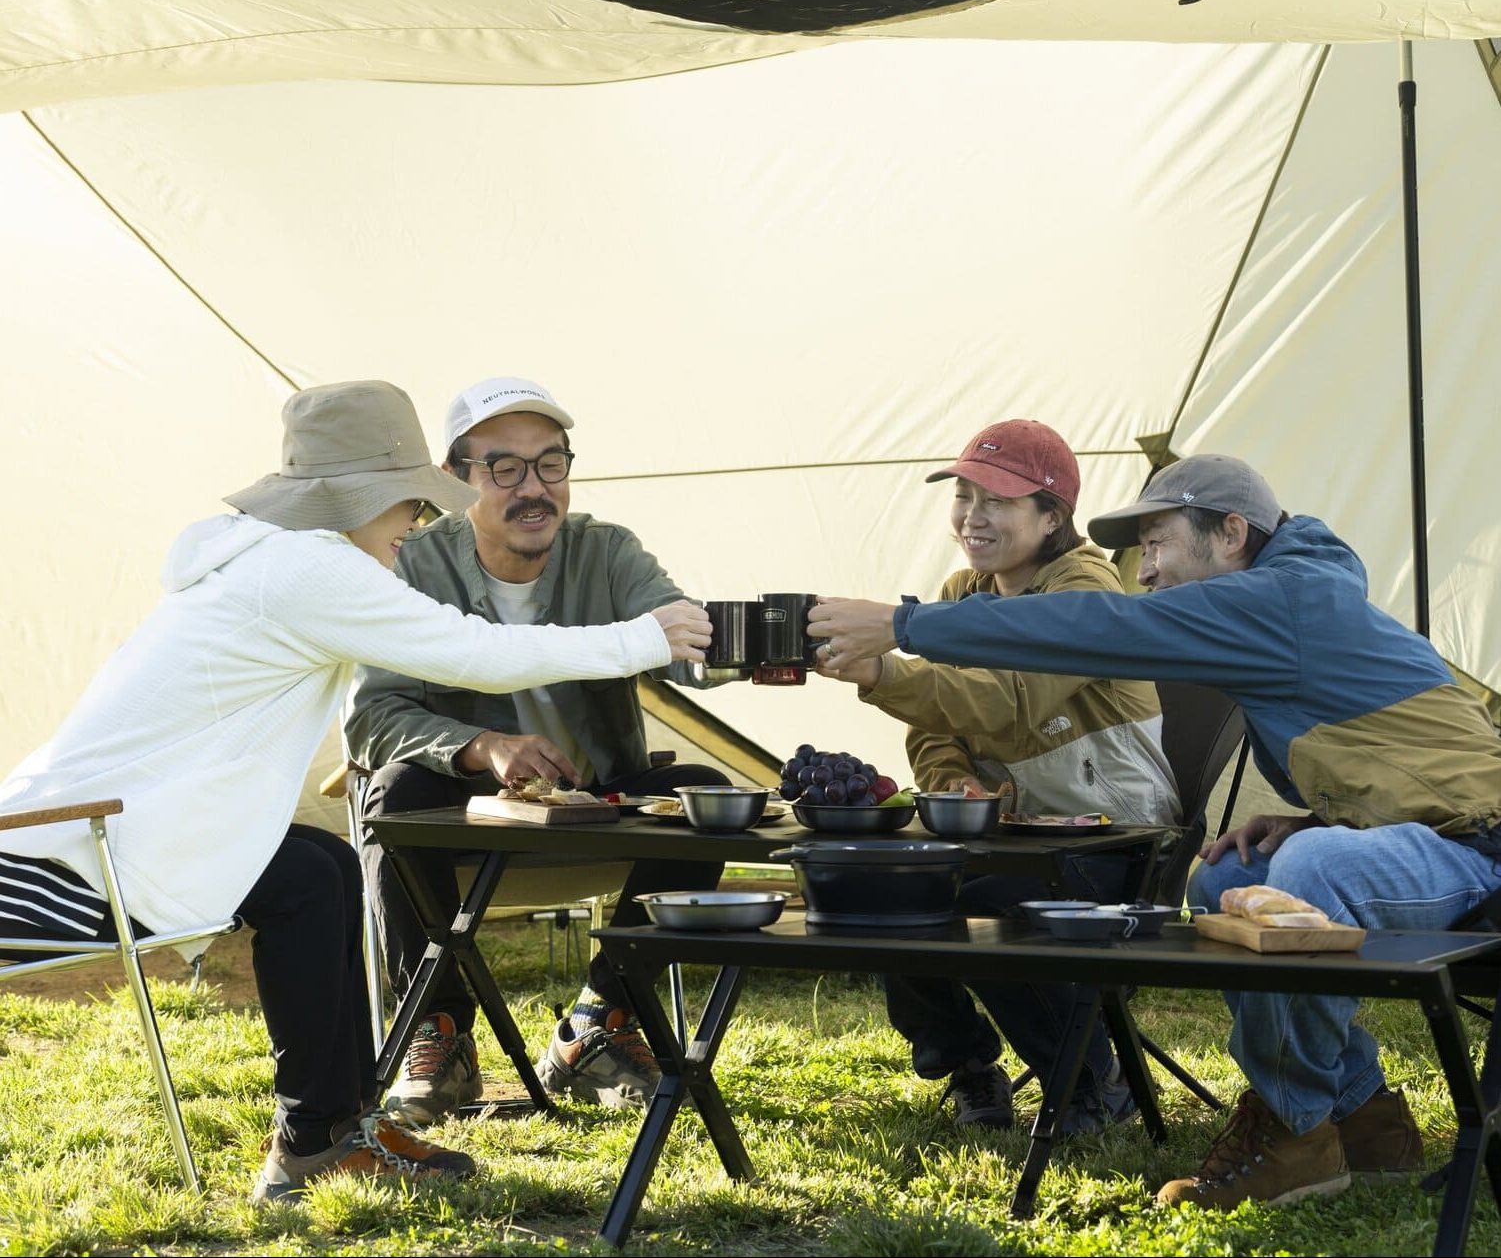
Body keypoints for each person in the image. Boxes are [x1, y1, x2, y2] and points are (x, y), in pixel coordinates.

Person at [0, 380, 709, 1204]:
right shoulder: (309, 568)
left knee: (321, 868)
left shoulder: (264, 554)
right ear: (356, 497)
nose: (416, 518)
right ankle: (319, 1138)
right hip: (65, 864)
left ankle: (325, 1135)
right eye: (407, 498)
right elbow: (471, 652)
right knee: (310, 878)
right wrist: (641, 638)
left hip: (92, 829)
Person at [811, 453, 1501, 1209]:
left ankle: (1293, 1127)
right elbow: (1412, 751)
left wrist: (903, 624)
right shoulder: (1285, 600)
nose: (1142, 570)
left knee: (1307, 869)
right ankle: (1363, 1111)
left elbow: (1104, 624)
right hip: (1437, 829)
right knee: (1227, 878)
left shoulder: (1281, 598)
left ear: (1230, 532)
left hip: (1481, 843)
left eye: (1159, 543)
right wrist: (1315, 811)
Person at [347, 375, 733, 1124]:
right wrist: (479, 746)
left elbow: (682, 640)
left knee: (706, 794)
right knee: (390, 793)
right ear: (458, 480)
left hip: (597, 803)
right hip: (466, 813)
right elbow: (372, 716)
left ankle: (600, 1020)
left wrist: (743, 643)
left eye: (549, 463)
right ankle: (441, 1028)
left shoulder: (607, 551)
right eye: (504, 468)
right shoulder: (412, 563)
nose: (534, 488)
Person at [814, 419, 1177, 1134]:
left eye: (997, 501)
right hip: (1017, 832)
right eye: (964, 496)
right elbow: (937, 726)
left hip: (1117, 841)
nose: (972, 516)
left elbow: (1011, 706)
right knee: (877, 887)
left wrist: (882, 668)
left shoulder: (1085, 590)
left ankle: (1090, 1082)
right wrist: (949, 778)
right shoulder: (962, 590)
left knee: (991, 907)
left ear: (1052, 516)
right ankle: (968, 1065)